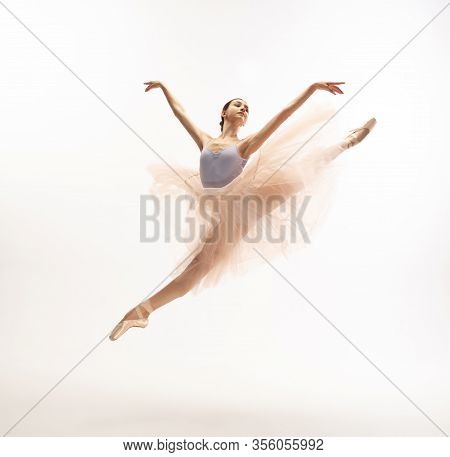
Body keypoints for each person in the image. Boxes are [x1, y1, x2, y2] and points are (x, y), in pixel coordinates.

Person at [109, 80, 376, 341]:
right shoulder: (205, 140)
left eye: (247, 108)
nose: (244, 109)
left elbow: (284, 115)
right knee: (194, 272)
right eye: (238, 105)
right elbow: (181, 113)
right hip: (221, 213)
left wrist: (312, 88)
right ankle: (139, 313)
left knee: (301, 171)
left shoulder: (245, 145)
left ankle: (348, 141)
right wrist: (165, 88)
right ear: (224, 113)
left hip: (249, 200)